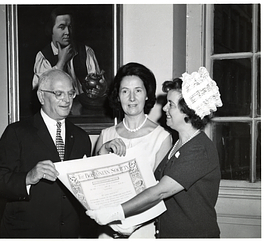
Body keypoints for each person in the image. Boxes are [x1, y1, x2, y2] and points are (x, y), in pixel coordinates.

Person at [87, 67, 223, 238]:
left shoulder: (199, 148)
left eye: (171, 104)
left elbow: (159, 191)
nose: (164, 108)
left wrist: (117, 212)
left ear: (187, 110)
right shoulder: (179, 144)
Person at [0, 69, 97, 238]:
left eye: (70, 93)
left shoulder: (81, 137)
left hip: (69, 234)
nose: (67, 100)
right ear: (41, 97)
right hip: (26, 233)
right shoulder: (17, 132)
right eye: (59, 93)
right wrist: (28, 177)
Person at [94, 62, 172, 238]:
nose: (131, 98)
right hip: (107, 230)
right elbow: (94, 190)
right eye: (124, 91)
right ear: (118, 96)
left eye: (137, 90)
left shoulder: (161, 137)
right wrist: (102, 153)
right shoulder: (106, 135)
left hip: (142, 229)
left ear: (146, 95)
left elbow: (161, 193)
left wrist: (133, 225)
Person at [32, 7, 107, 112]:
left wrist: (99, 90)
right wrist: (61, 62)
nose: (67, 32)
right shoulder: (43, 56)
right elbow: (39, 92)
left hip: (84, 112)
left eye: (70, 27)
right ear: (51, 29)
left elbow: (98, 85)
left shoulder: (86, 52)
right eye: (62, 27)